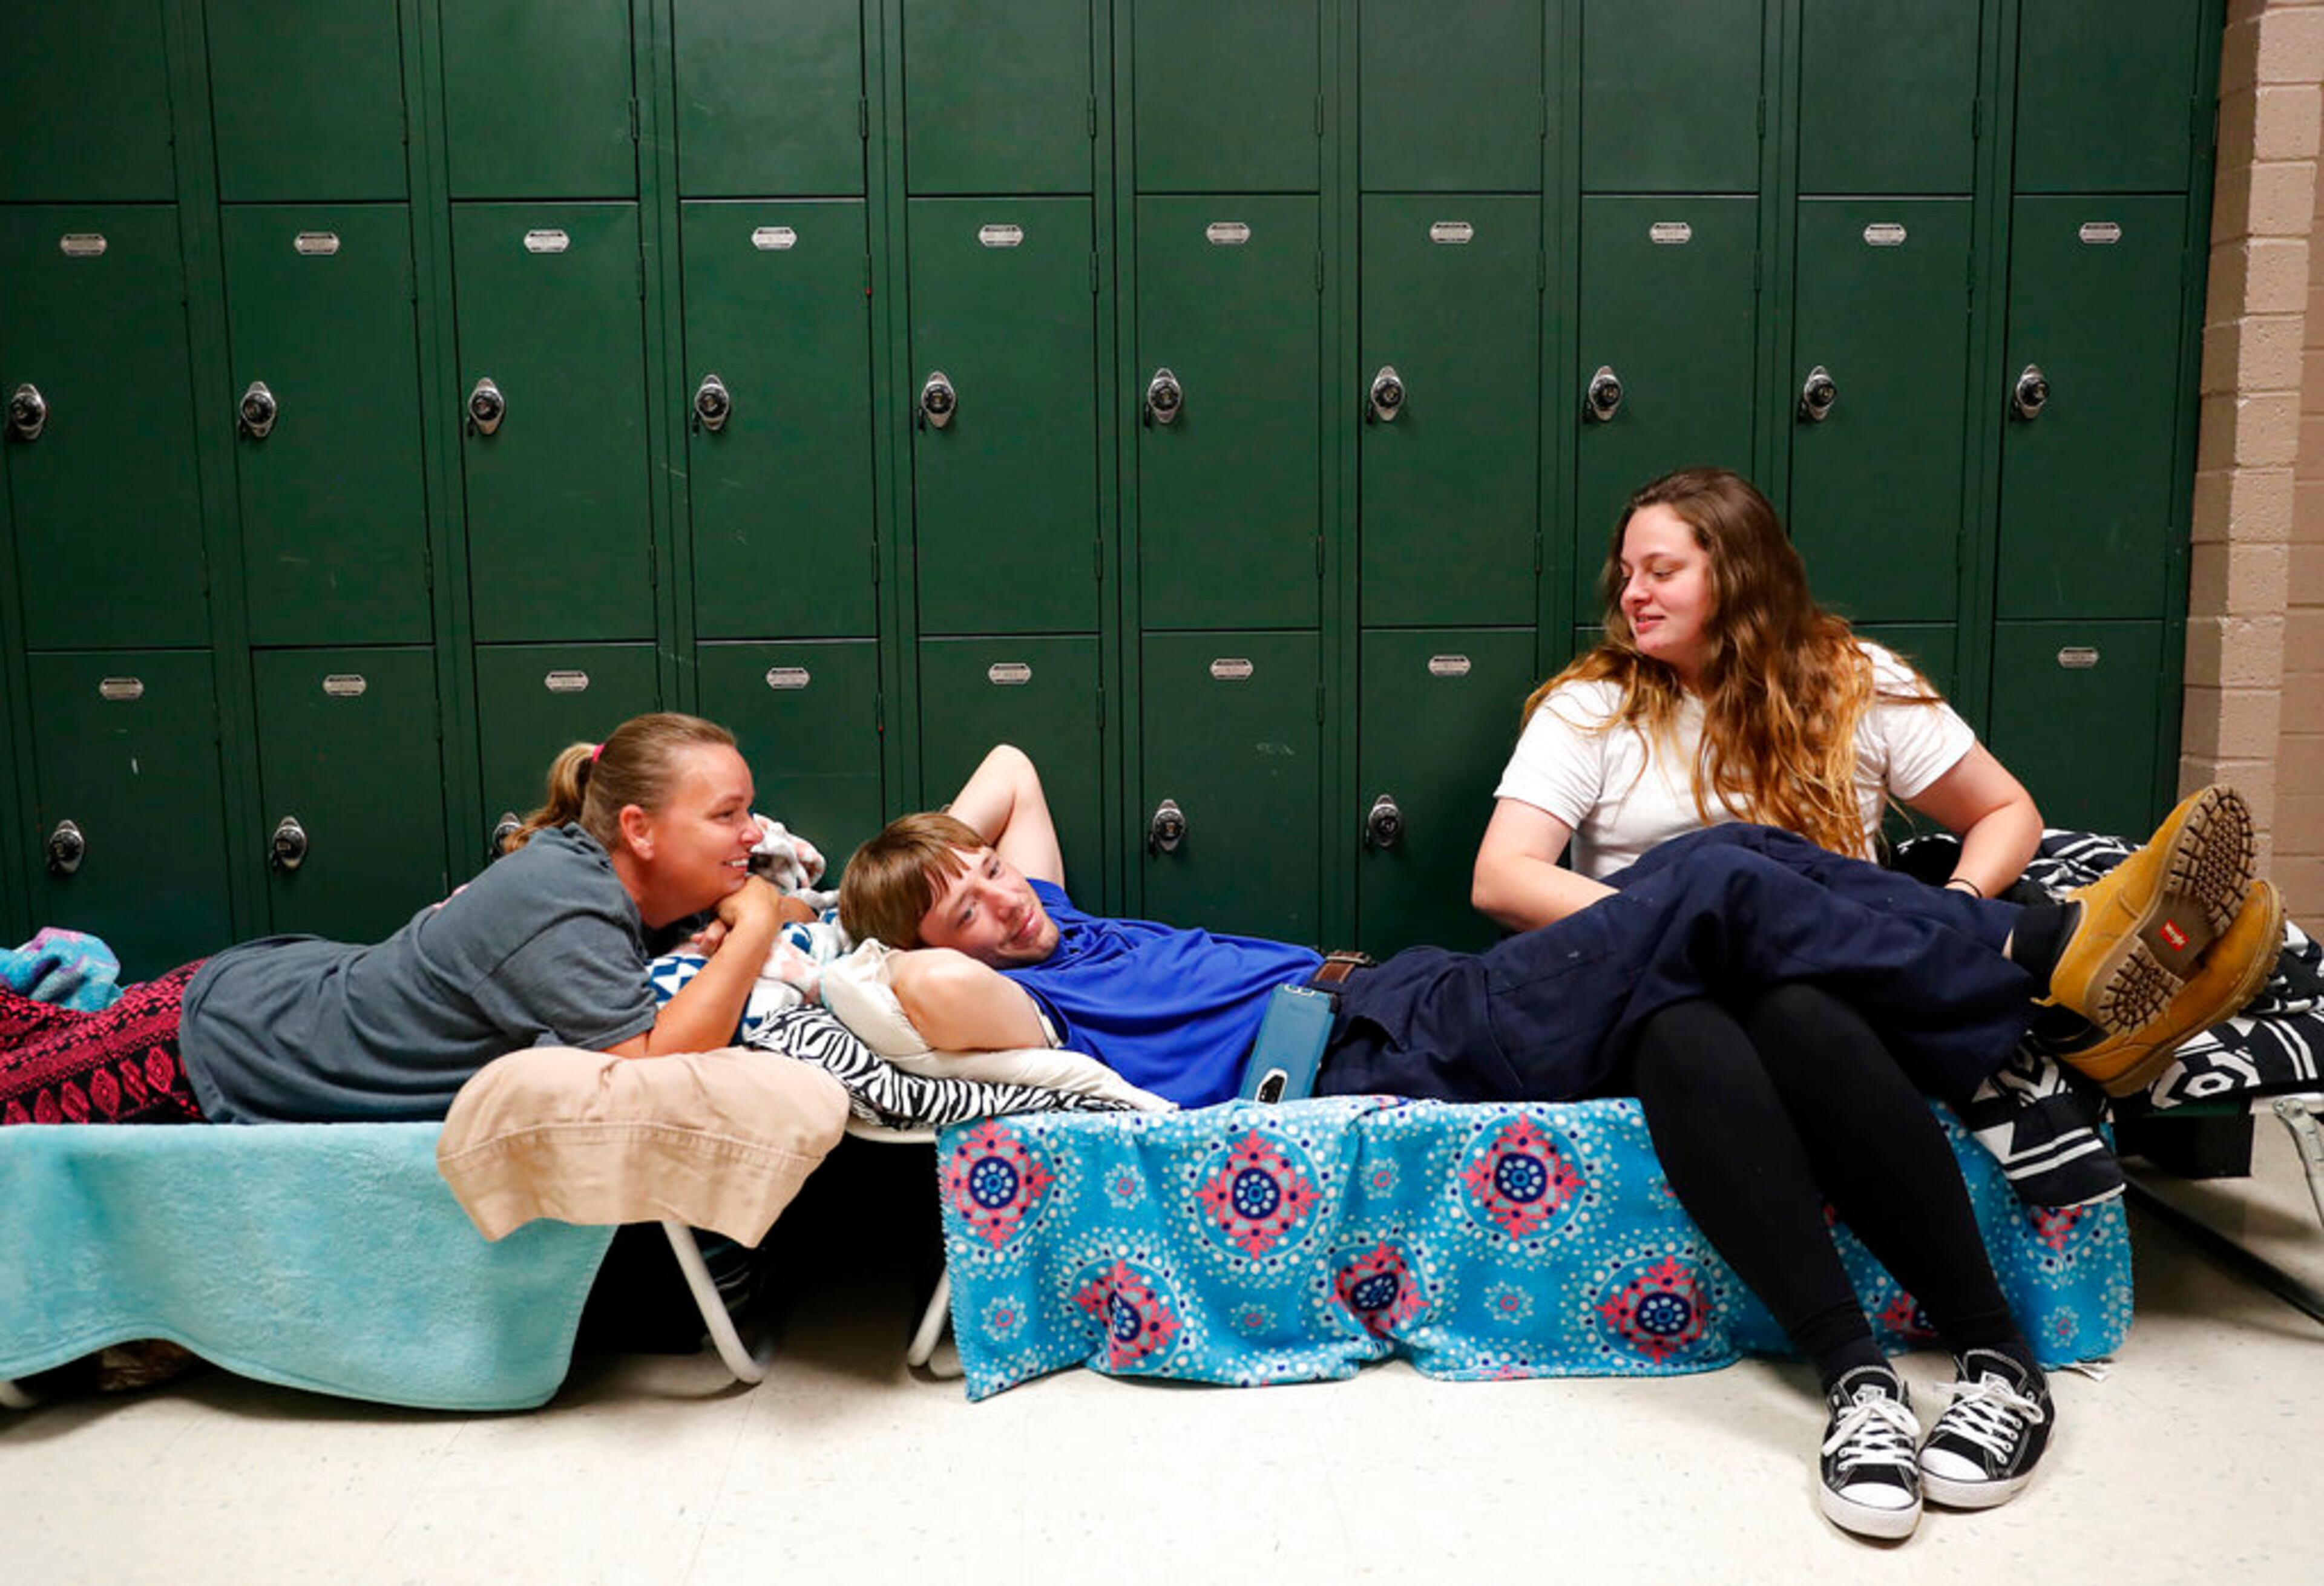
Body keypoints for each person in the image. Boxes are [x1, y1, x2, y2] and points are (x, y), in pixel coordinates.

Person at [838, 739, 2265, 1538]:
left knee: (1735, 924)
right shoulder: (1009, 993)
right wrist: (829, 912)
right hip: (1367, 1051)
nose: (998, 899)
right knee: (1710, 872)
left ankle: (2033, 1011)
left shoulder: (1057, 914)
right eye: (966, 902)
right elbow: (909, 983)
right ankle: (2048, 959)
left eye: (985, 877)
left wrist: (935, 854)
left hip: (1392, 987)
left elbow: (1019, 766)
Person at [1464, 466, 2284, 1536]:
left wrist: (1948, 895)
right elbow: (1504, 877)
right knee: (1694, 988)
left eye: (1662, 569)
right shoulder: (1596, 704)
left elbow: (2005, 811)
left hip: (1834, 986)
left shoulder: (1857, 679)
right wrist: (1675, 920)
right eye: (1626, 573)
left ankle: (1999, 1361)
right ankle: (1860, 1380)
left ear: (1741, 574)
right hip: (1659, 982)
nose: (1633, 594)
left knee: (1798, 1008)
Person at [2, 712, 799, 1126]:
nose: (754, 833)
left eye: (750, 811)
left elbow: (800, 908)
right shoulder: (565, 897)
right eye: (729, 815)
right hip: (229, 1045)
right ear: (638, 829)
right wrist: (754, 919)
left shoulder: (616, 878)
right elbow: (649, 1061)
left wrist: (765, 902)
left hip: (270, 998)